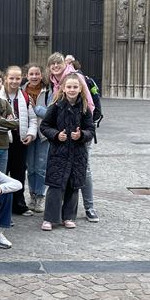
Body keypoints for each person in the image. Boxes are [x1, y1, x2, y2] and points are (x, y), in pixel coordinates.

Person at [39, 73, 95, 231]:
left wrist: (81, 135)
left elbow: (91, 129)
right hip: (59, 152)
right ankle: (50, 218)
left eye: (75, 87)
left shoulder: (84, 107)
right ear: (63, 88)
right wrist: (56, 135)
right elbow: (45, 126)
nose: (72, 90)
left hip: (78, 153)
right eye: (69, 87)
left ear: (80, 89)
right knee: (56, 186)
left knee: (73, 186)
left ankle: (69, 216)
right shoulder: (56, 106)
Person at [65, 56, 102, 223]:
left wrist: (83, 134)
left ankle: (89, 207)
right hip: (62, 138)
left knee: (84, 169)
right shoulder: (52, 82)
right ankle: (64, 210)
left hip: (80, 137)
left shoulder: (84, 83)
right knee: (62, 169)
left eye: (66, 64)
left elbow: (92, 120)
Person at [0, 65, 37, 216]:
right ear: (6, 79)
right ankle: (0, 204)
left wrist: (31, 134)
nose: (14, 81)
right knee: (2, 173)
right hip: (3, 140)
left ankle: (19, 204)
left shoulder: (26, 96)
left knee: (19, 173)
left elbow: (33, 119)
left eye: (17, 78)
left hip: (20, 140)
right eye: (11, 78)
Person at [22, 63, 52, 214]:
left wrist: (36, 109)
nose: (34, 77)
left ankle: (40, 196)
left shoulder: (48, 91)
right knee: (30, 168)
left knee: (41, 168)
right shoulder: (22, 91)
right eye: (31, 74)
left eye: (37, 74)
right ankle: (32, 195)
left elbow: (52, 113)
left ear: (41, 75)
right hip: (26, 133)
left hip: (43, 135)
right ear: (26, 75)